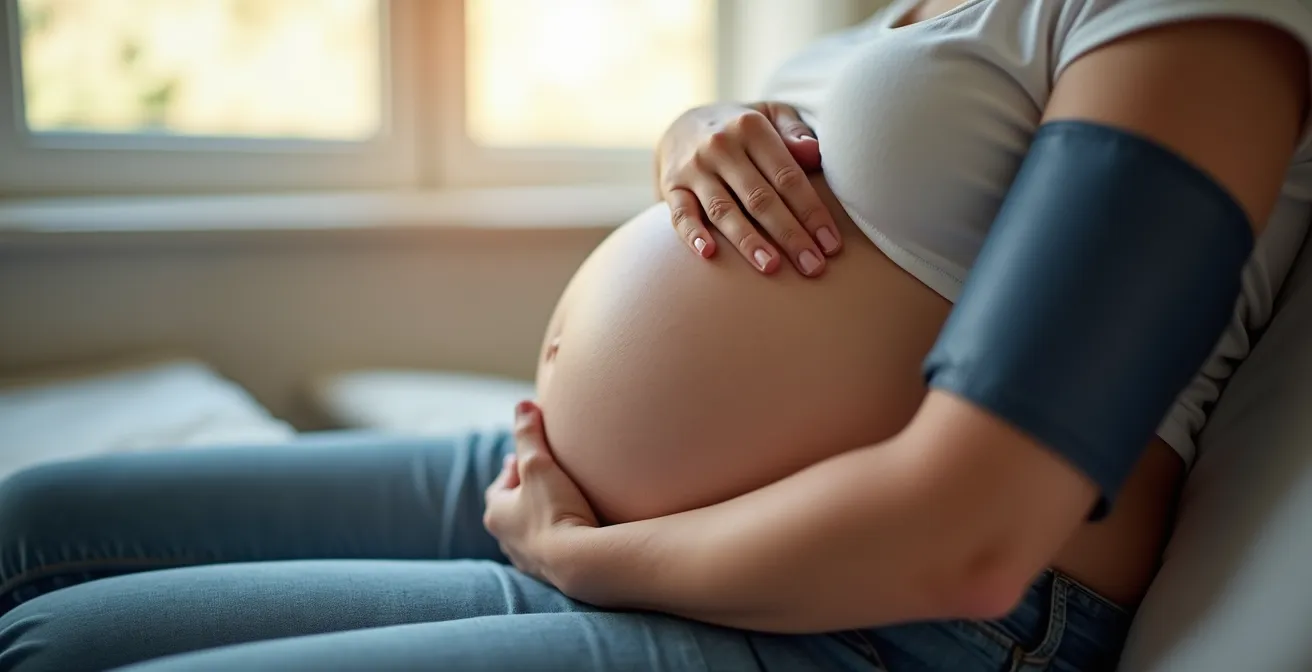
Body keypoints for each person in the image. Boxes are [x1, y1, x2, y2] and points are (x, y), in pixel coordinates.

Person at [4, 1, 1312, 670]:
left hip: (880, 619)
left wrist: (598, 560)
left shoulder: (1190, 17)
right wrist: (692, 135)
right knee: (34, 541)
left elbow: (974, 535)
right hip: (563, 490)